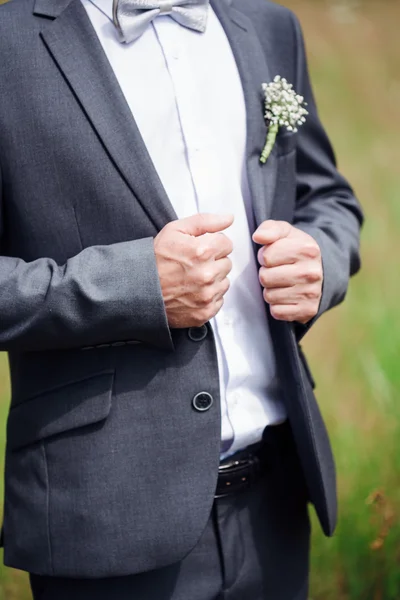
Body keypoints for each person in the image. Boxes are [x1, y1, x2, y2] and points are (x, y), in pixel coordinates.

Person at [0, 0, 363, 598]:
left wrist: (321, 257)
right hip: (107, 519)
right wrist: (136, 287)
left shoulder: (270, 25)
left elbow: (328, 197)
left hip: (276, 501)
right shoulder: (10, 43)